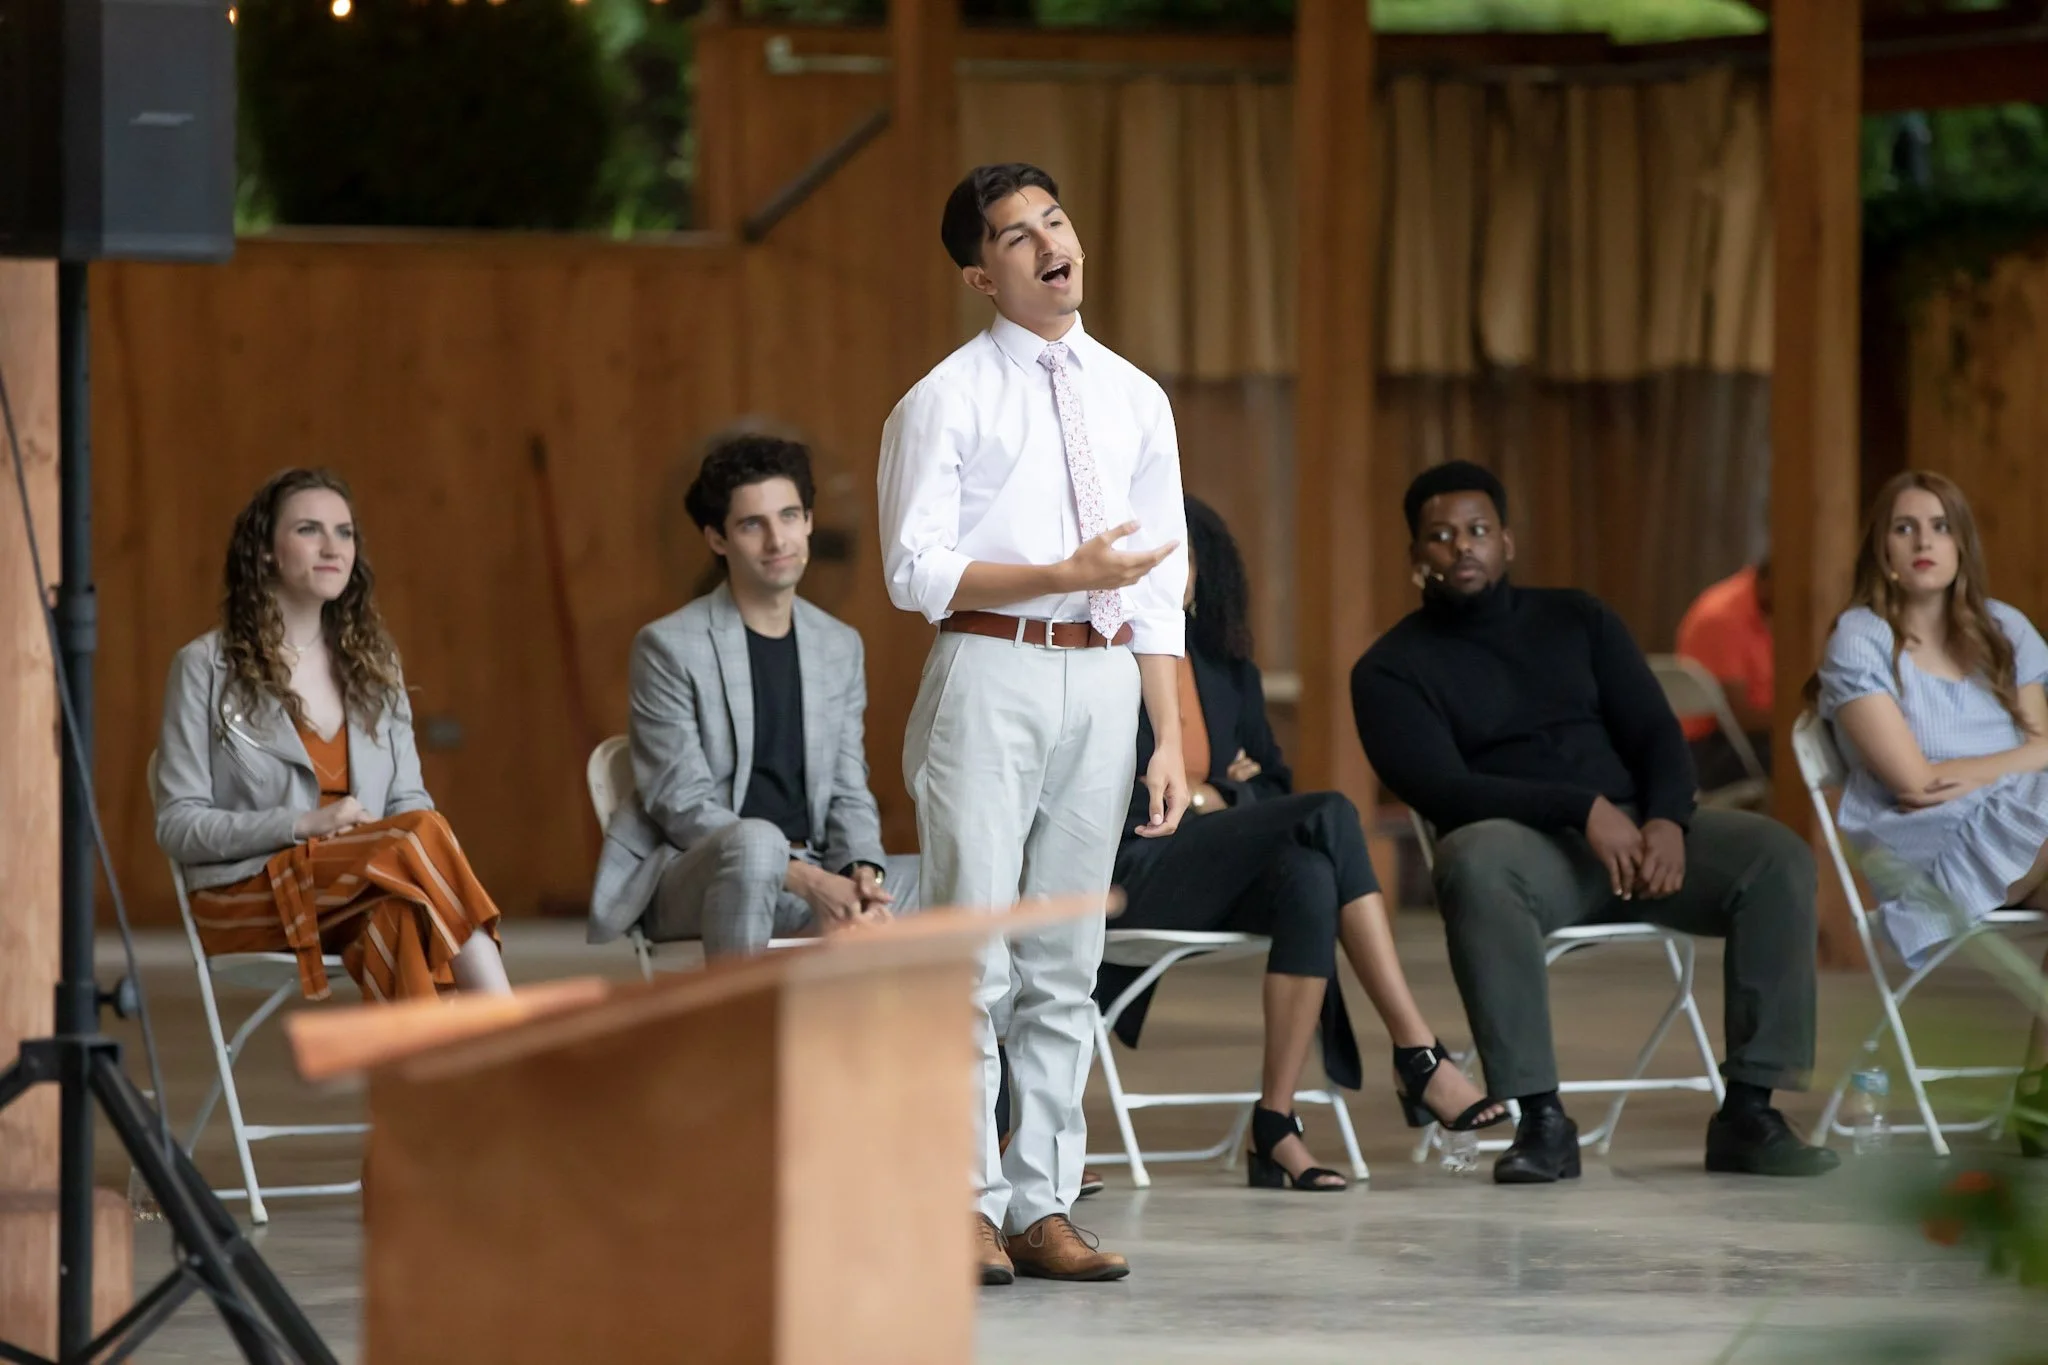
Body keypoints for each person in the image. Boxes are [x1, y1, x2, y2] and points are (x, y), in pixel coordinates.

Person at [1351, 460, 1836, 1184]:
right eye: (1442, 536)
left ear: (1508, 541)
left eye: (1479, 530)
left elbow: (1656, 734)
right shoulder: (1389, 668)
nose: (1463, 547)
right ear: (1417, 555)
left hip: (1645, 839)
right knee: (1474, 860)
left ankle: (1749, 1113)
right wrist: (1578, 809)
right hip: (1532, 853)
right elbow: (1441, 789)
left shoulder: (1577, 618)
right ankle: (1542, 1120)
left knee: (1776, 856)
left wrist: (1670, 819)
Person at [879, 162, 1189, 1284]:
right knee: (970, 953)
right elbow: (913, 572)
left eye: (1052, 220)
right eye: (1015, 236)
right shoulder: (943, 399)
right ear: (981, 274)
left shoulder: (1134, 397)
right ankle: (958, 1204)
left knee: (1066, 958)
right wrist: (1059, 570)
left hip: (1107, 681)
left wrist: (1170, 733)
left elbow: (1157, 582)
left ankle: (1040, 1205)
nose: (1046, 242)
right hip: (988, 669)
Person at [1099, 497, 1506, 1192]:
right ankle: (1418, 1051)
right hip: (1131, 872)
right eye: (1155, 559)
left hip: (1213, 864)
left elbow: (1272, 784)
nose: (1170, 572)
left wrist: (1220, 798)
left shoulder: (1228, 670)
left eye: (1183, 557)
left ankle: (1276, 1124)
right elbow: (1114, 796)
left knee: (1310, 872)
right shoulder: (1104, 663)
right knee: (1330, 812)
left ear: (1204, 571)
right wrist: (1213, 791)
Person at [153, 468, 509, 1003]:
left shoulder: (374, 665)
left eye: (344, 532)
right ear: (266, 551)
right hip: (250, 895)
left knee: (397, 914)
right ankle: (512, 1028)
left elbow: (410, 801)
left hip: (368, 885)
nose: (331, 546)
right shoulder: (204, 666)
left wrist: (377, 843)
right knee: (414, 842)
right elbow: (178, 825)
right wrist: (304, 824)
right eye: (308, 530)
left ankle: (438, 1083)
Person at [589, 432, 914, 957]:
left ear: (809, 522)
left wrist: (861, 873)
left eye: (789, 516)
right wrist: (808, 879)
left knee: (942, 877)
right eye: (751, 524)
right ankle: (741, 1036)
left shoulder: (839, 646)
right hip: (695, 876)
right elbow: (682, 804)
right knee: (757, 841)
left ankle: (942, 1040)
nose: (777, 541)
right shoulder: (667, 646)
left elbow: (849, 788)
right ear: (717, 539)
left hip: (815, 867)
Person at [1812, 470, 2048, 1155]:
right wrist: (2013, 764)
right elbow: (1913, 782)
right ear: (1881, 547)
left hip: (2023, 827)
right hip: (1923, 845)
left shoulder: (2006, 629)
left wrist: (1970, 772)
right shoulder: (1861, 638)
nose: (1924, 541)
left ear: (1961, 545)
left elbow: (2044, 747)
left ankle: (2038, 1096)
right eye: (1905, 526)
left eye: (1941, 526)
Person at [1676, 558, 1775, 791]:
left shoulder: (1762, 608)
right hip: (1707, 747)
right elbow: (1740, 717)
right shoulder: (1724, 616)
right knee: (1799, 756)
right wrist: (1799, 717)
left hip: (1745, 739)